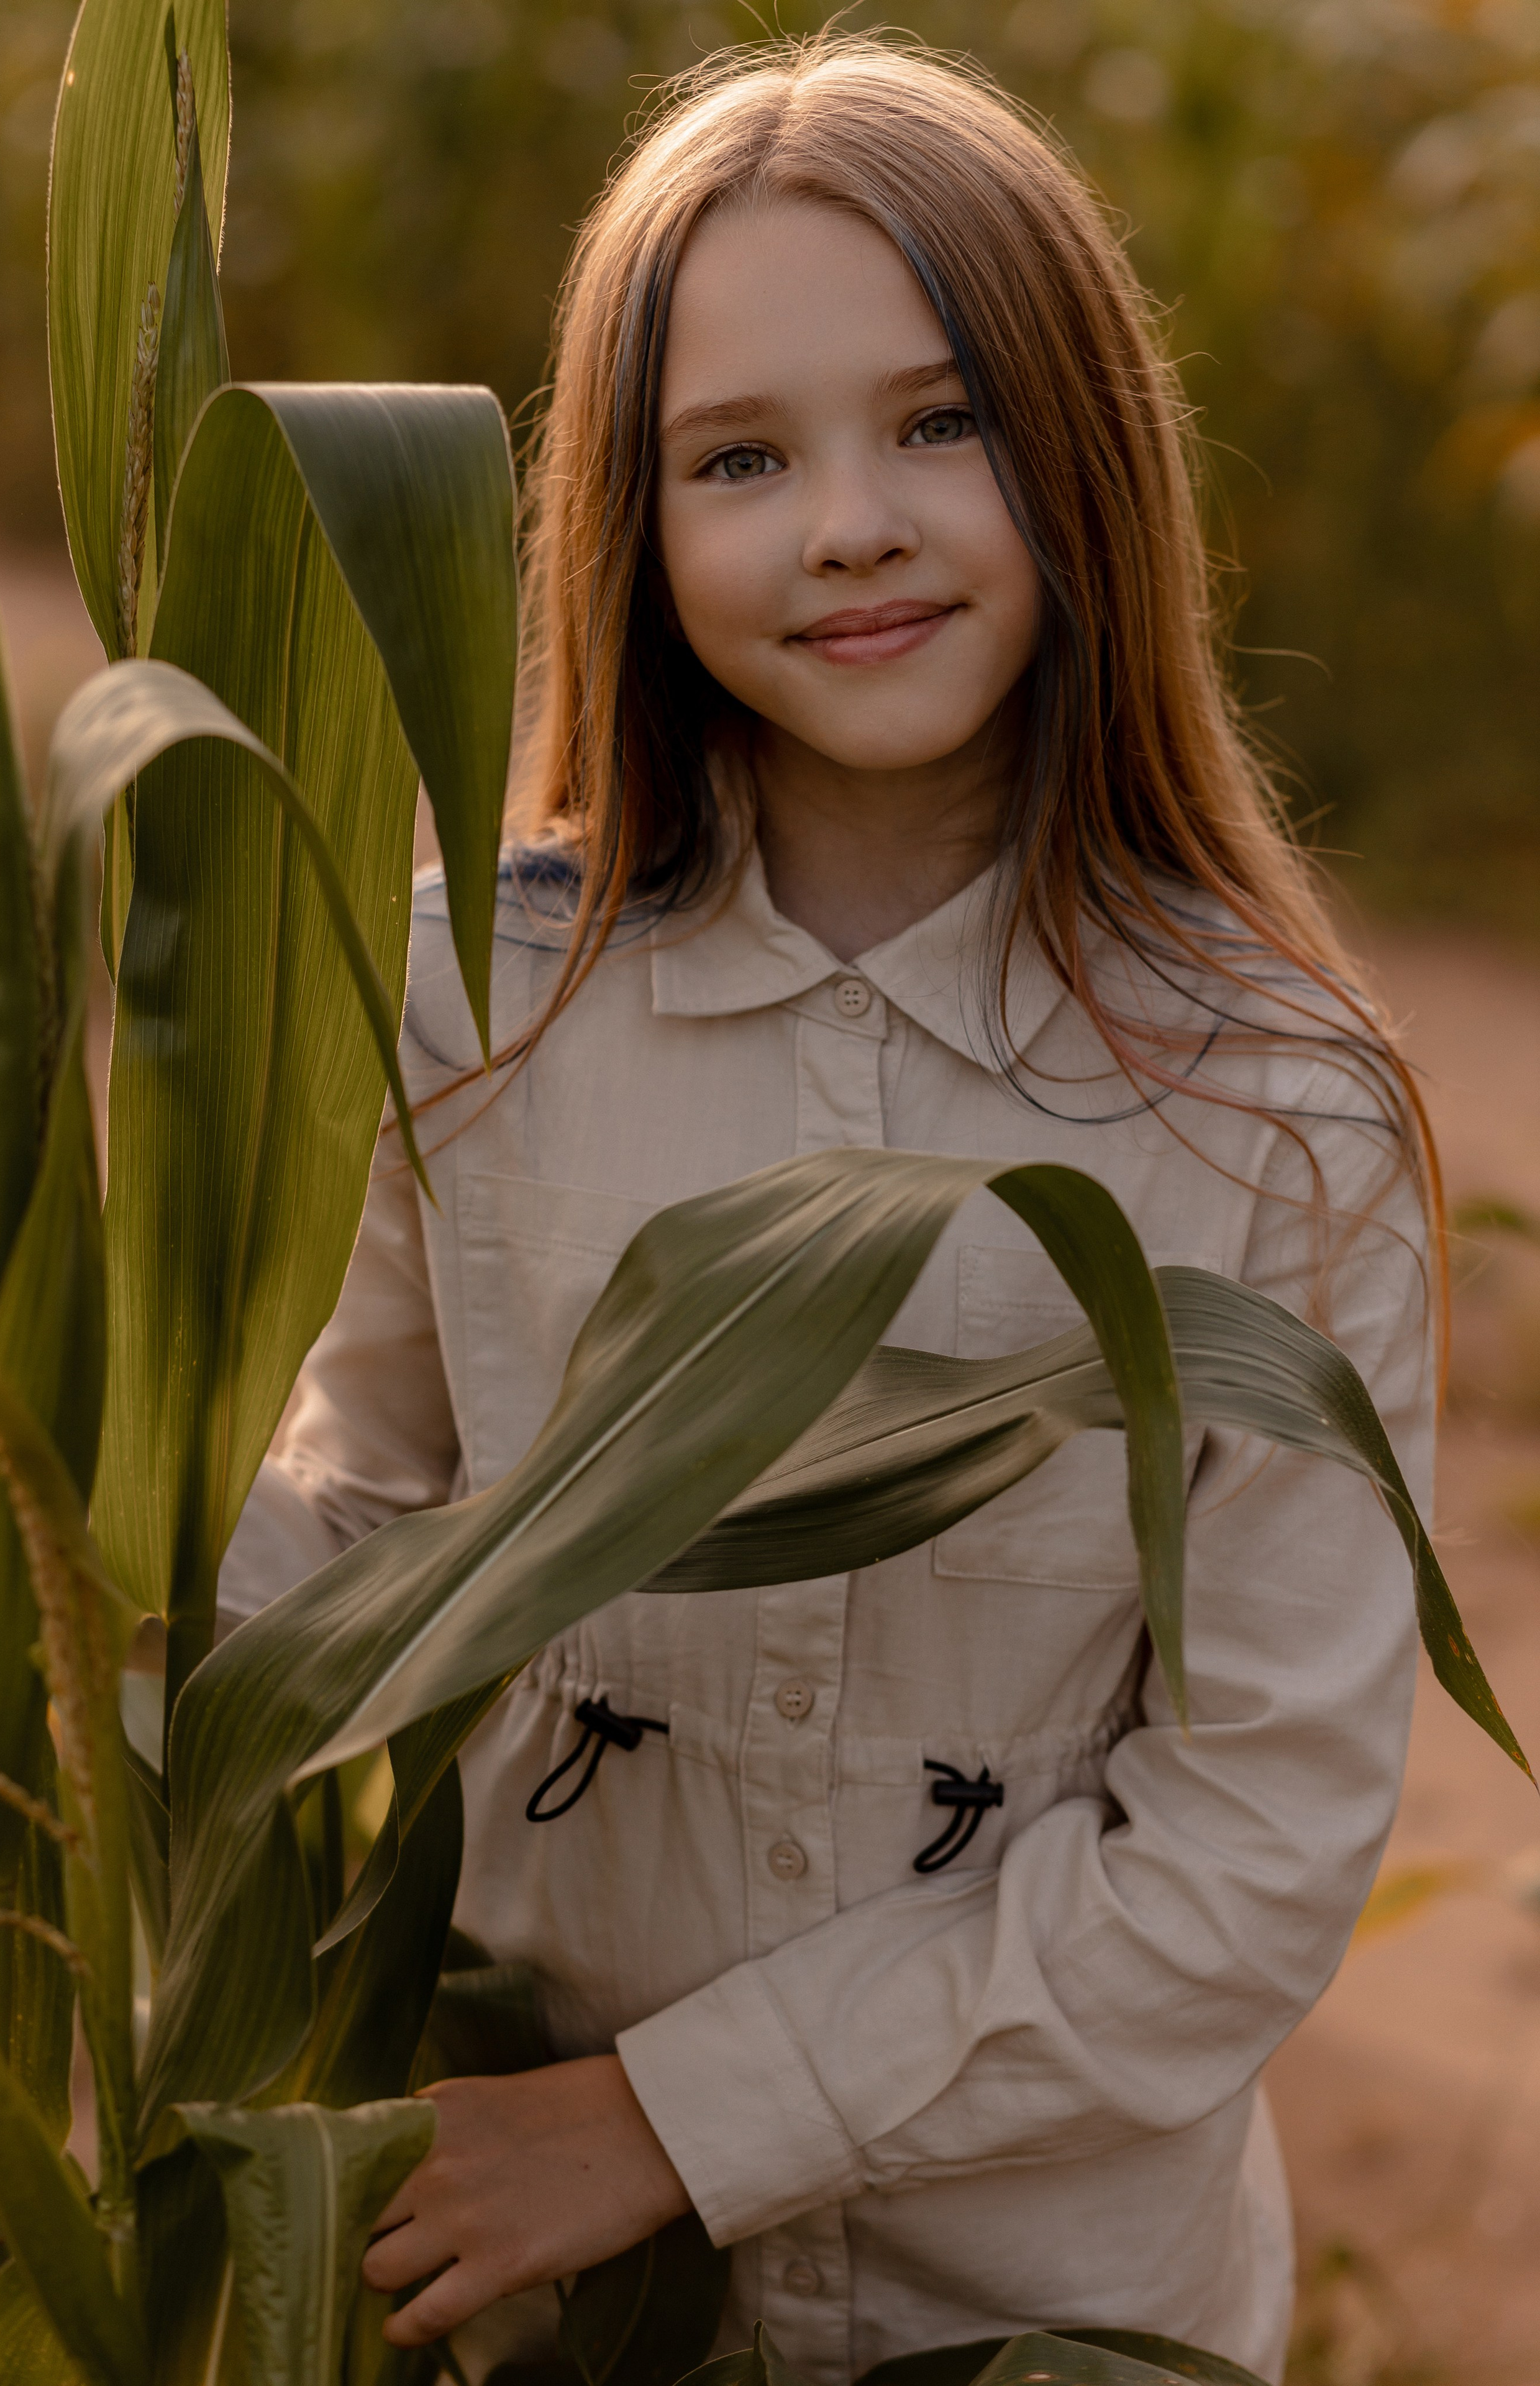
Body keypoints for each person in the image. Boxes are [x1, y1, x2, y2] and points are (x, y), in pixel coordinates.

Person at [218, 35, 1437, 2386]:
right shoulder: (473, 1004)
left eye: (943, 421)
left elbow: (1248, 1853)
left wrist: (669, 2123)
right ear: (634, 528)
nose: (849, 522)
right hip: (528, 2309)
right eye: (739, 458)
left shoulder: (1284, 1122)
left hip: (1056, 2314)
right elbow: (349, 1524)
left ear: (1088, 447)